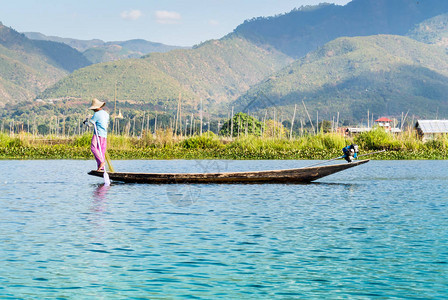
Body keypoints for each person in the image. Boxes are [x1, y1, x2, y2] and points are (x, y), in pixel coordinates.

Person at [84, 98, 110, 171]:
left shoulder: (97, 114)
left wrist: (85, 122)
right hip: (104, 135)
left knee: (93, 148)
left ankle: (101, 163)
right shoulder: (106, 114)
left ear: (96, 108)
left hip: (98, 134)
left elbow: (90, 124)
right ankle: (101, 167)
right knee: (101, 150)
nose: (93, 110)